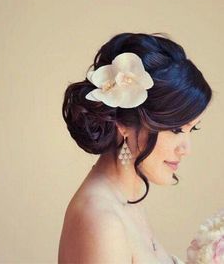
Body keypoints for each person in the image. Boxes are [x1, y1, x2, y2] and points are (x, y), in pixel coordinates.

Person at [58, 32, 213, 264]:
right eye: (177, 130)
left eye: (193, 129)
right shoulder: (102, 221)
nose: (185, 149)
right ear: (124, 124)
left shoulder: (128, 201)